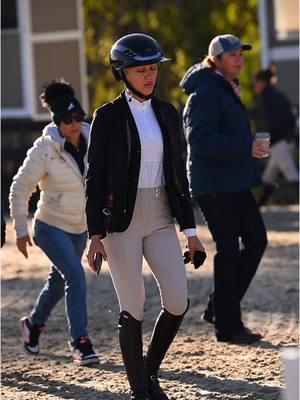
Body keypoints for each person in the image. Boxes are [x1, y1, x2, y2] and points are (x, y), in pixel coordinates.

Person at [85, 33, 205, 400]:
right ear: (122, 73)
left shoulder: (168, 112)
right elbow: (95, 178)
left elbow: (177, 178)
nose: (149, 76)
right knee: (133, 306)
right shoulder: (106, 117)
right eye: (140, 70)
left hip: (160, 216)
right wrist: (94, 235)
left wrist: (191, 231)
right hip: (121, 221)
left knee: (177, 301)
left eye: (153, 69)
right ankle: (141, 390)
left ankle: (149, 372)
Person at [180, 34, 268, 344]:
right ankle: (227, 326)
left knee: (257, 240)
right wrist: (247, 145)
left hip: (233, 182)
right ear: (215, 59)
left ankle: (220, 305)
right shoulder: (205, 92)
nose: (239, 59)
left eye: (241, 53)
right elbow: (200, 143)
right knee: (229, 250)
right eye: (232, 55)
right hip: (214, 185)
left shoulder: (224, 87)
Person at [9, 79, 98, 365]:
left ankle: (33, 324)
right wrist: (21, 229)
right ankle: (80, 343)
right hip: (50, 227)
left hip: (79, 228)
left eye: (78, 117)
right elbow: (19, 188)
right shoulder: (44, 149)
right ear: (57, 121)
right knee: (75, 277)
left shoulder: (94, 141)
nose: (74, 123)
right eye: (68, 119)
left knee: (58, 283)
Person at [252, 66, 299, 205]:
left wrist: (268, 140)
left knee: (292, 175)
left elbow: (270, 123)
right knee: (269, 176)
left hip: (279, 142)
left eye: (256, 83)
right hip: (287, 140)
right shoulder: (278, 95)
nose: (255, 86)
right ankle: (259, 205)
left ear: (262, 82)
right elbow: (291, 118)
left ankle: (259, 205)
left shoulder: (266, 97)